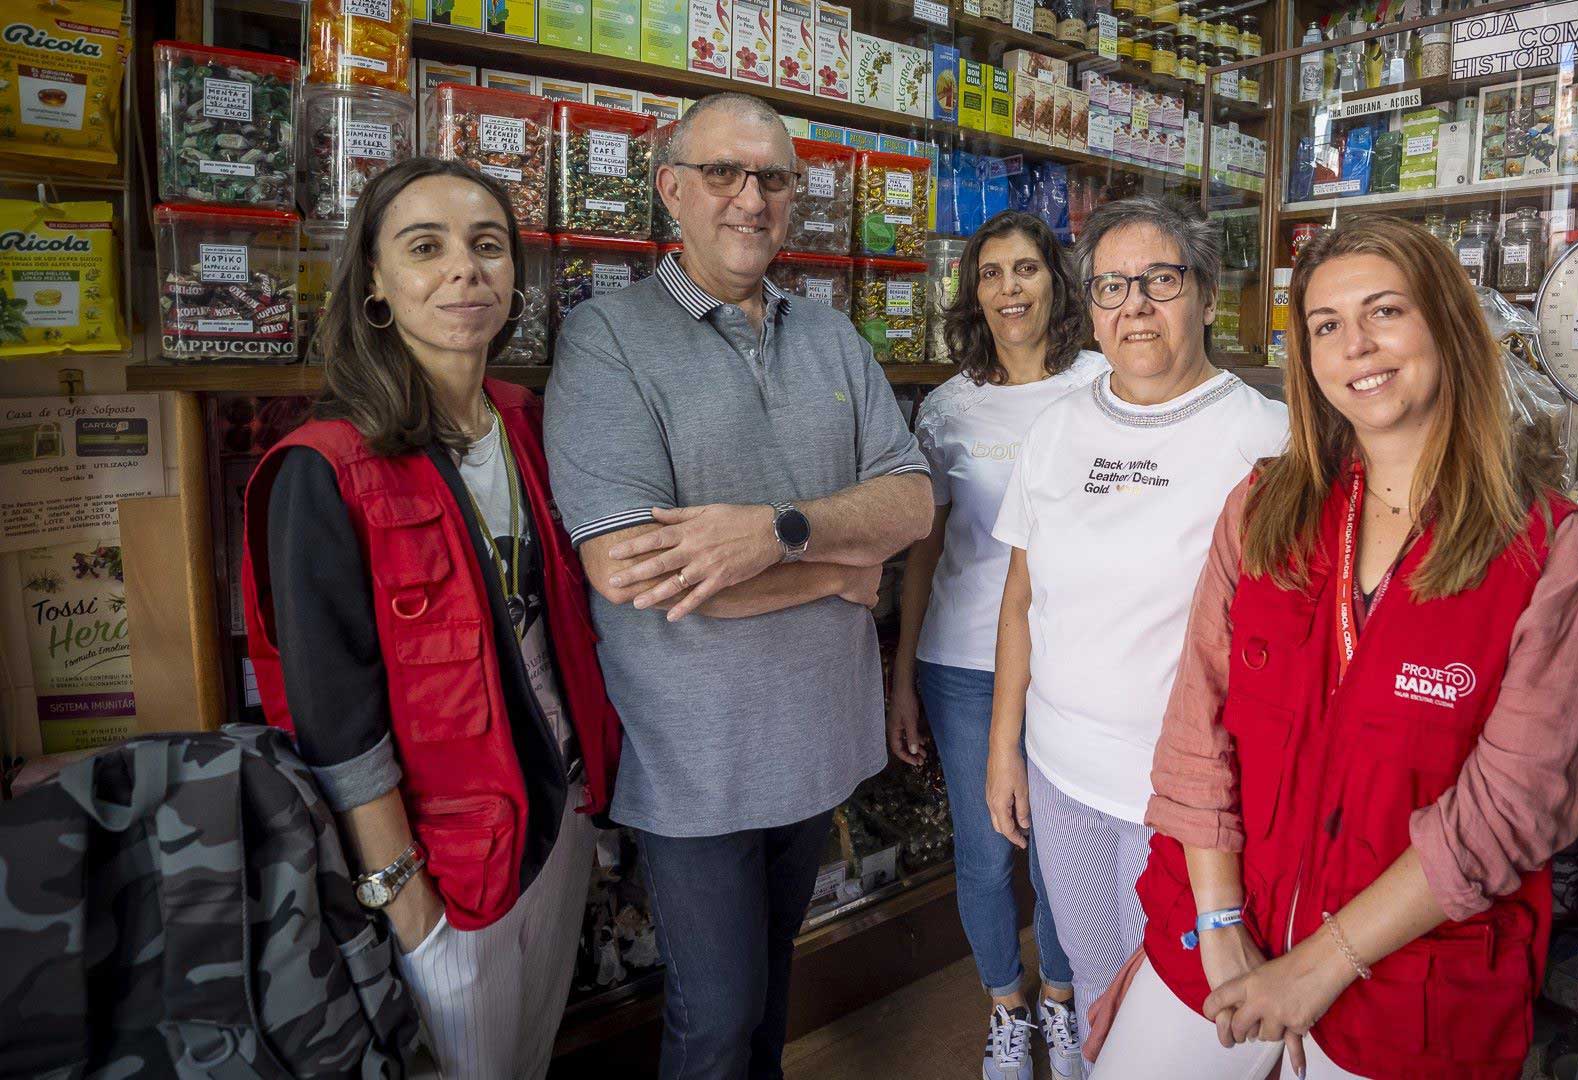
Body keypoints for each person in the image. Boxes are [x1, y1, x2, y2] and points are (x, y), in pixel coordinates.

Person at [1092, 214, 1578, 1079]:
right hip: (1221, 927)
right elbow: (1196, 733)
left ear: (1446, 326)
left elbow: (1513, 807)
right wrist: (1224, 932)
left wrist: (1319, 967)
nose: (1356, 347)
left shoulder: (1548, 552)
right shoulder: (1264, 509)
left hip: (1408, 982)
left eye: (1385, 313)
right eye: (1326, 327)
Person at [542, 92, 933, 1080]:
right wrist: (840, 570)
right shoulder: (608, 340)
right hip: (695, 760)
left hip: (812, 741)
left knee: (766, 998)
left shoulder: (834, 337)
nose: (749, 199)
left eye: (771, 178)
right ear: (672, 189)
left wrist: (776, 533)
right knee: (714, 1022)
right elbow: (629, 571)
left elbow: (915, 502)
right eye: (724, 173)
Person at [238, 156, 623, 1079]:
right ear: (375, 281)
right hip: (444, 872)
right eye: (426, 247)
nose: (465, 270)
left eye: (488, 246)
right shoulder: (323, 467)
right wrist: (402, 896)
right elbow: (334, 713)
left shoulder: (530, 421)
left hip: (560, 822)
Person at [985, 197, 1289, 1056]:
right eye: (1112, 286)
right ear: (1089, 306)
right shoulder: (1056, 430)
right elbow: (1021, 598)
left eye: (1160, 279)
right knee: (1086, 972)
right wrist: (1004, 745)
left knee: (1168, 1004)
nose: (1136, 307)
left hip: (1187, 803)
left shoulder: (1269, 440)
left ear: (1204, 294)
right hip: (1061, 772)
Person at [890, 210, 1107, 1080]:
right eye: (990, 274)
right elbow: (924, 551)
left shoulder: (1101, 385)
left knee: (1061, 848)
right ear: (972, 293)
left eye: (1025, 269)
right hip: (965, 664)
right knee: (985, 851)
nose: (1009, 288)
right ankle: (1006, 1009)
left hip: (1069, 657)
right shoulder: (948, 406)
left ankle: (1060, 999)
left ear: (1055, 280)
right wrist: (903, 676)